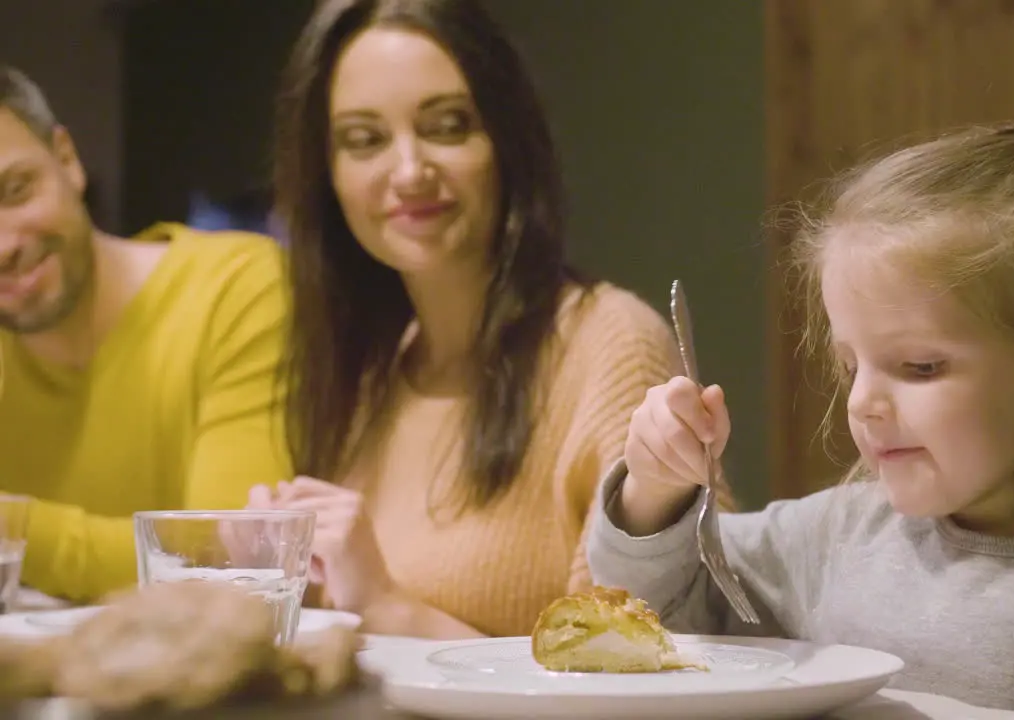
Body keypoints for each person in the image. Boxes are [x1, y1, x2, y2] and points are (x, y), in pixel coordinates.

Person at [588, 120, 1014, 719]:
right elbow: (663, 607)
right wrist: (656, 486)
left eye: (919, 368)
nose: (862, 402)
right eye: (849, 364)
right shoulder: (837, 538)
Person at [254, 0, 700, 639]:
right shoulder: (367, 371)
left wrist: (386, 605)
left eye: (446, 125)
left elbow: (625, 675)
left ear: (506, 140)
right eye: (365, 140)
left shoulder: (612, 346)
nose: (408, 172)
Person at [0, 66, 291, 602]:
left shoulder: (233, 289)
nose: (4, 245)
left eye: (16, 191)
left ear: (67, 160)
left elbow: (229, 561)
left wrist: (13, 530)